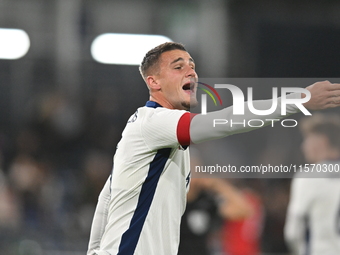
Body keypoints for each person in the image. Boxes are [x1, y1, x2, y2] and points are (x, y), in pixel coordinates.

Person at [87, 42, 340, 255]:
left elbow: (107, 196)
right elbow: (226, 121)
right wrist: (299, 99)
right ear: (154, 81)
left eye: (192, 66)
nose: (191, 72)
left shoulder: (153, 134)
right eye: (178, 66)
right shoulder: (153, 122)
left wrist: (94, 250)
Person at [284, 113, 340, 255]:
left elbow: (293, 232)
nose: (303, 147)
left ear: (321, 141)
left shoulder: (308, 177)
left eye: (307, 140)